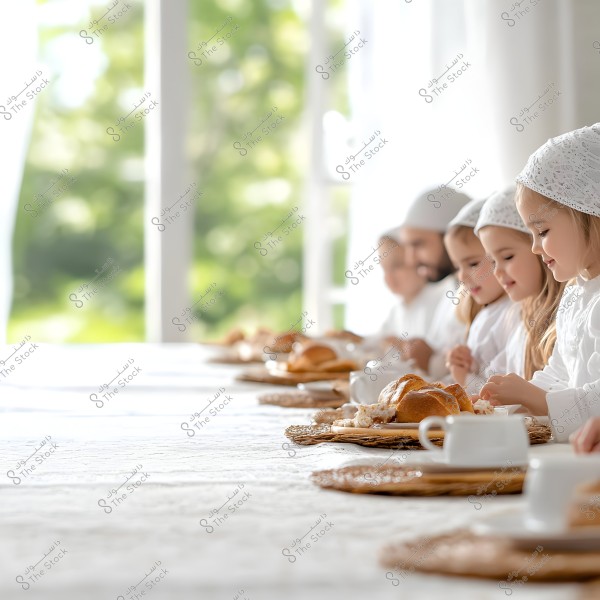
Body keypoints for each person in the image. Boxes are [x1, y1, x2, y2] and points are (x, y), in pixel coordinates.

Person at [480, 123, 600, 442]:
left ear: (589, 214)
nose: (535, 247)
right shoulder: (576, 296)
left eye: (543, 232)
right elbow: (560, 374)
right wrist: (517, 405)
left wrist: (537, 400)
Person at [443, 197, 516, 395]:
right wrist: (460, 363)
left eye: (473, 263)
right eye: (457, 266)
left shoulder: (513, 314)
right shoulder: (486, 313)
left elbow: (503, 395)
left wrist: (462, 377)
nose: (461, 276)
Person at [397, 188, 471, 378]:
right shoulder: (450, 290)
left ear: (451, 236)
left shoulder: (488, 293)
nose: (411, 260)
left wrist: (430, 362)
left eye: (418, 244)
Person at [377, 230, 441, 340]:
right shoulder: (397, 310)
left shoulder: (443, 301)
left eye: (396, 266)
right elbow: (380, 340)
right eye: (384, 269)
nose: (389, 277)